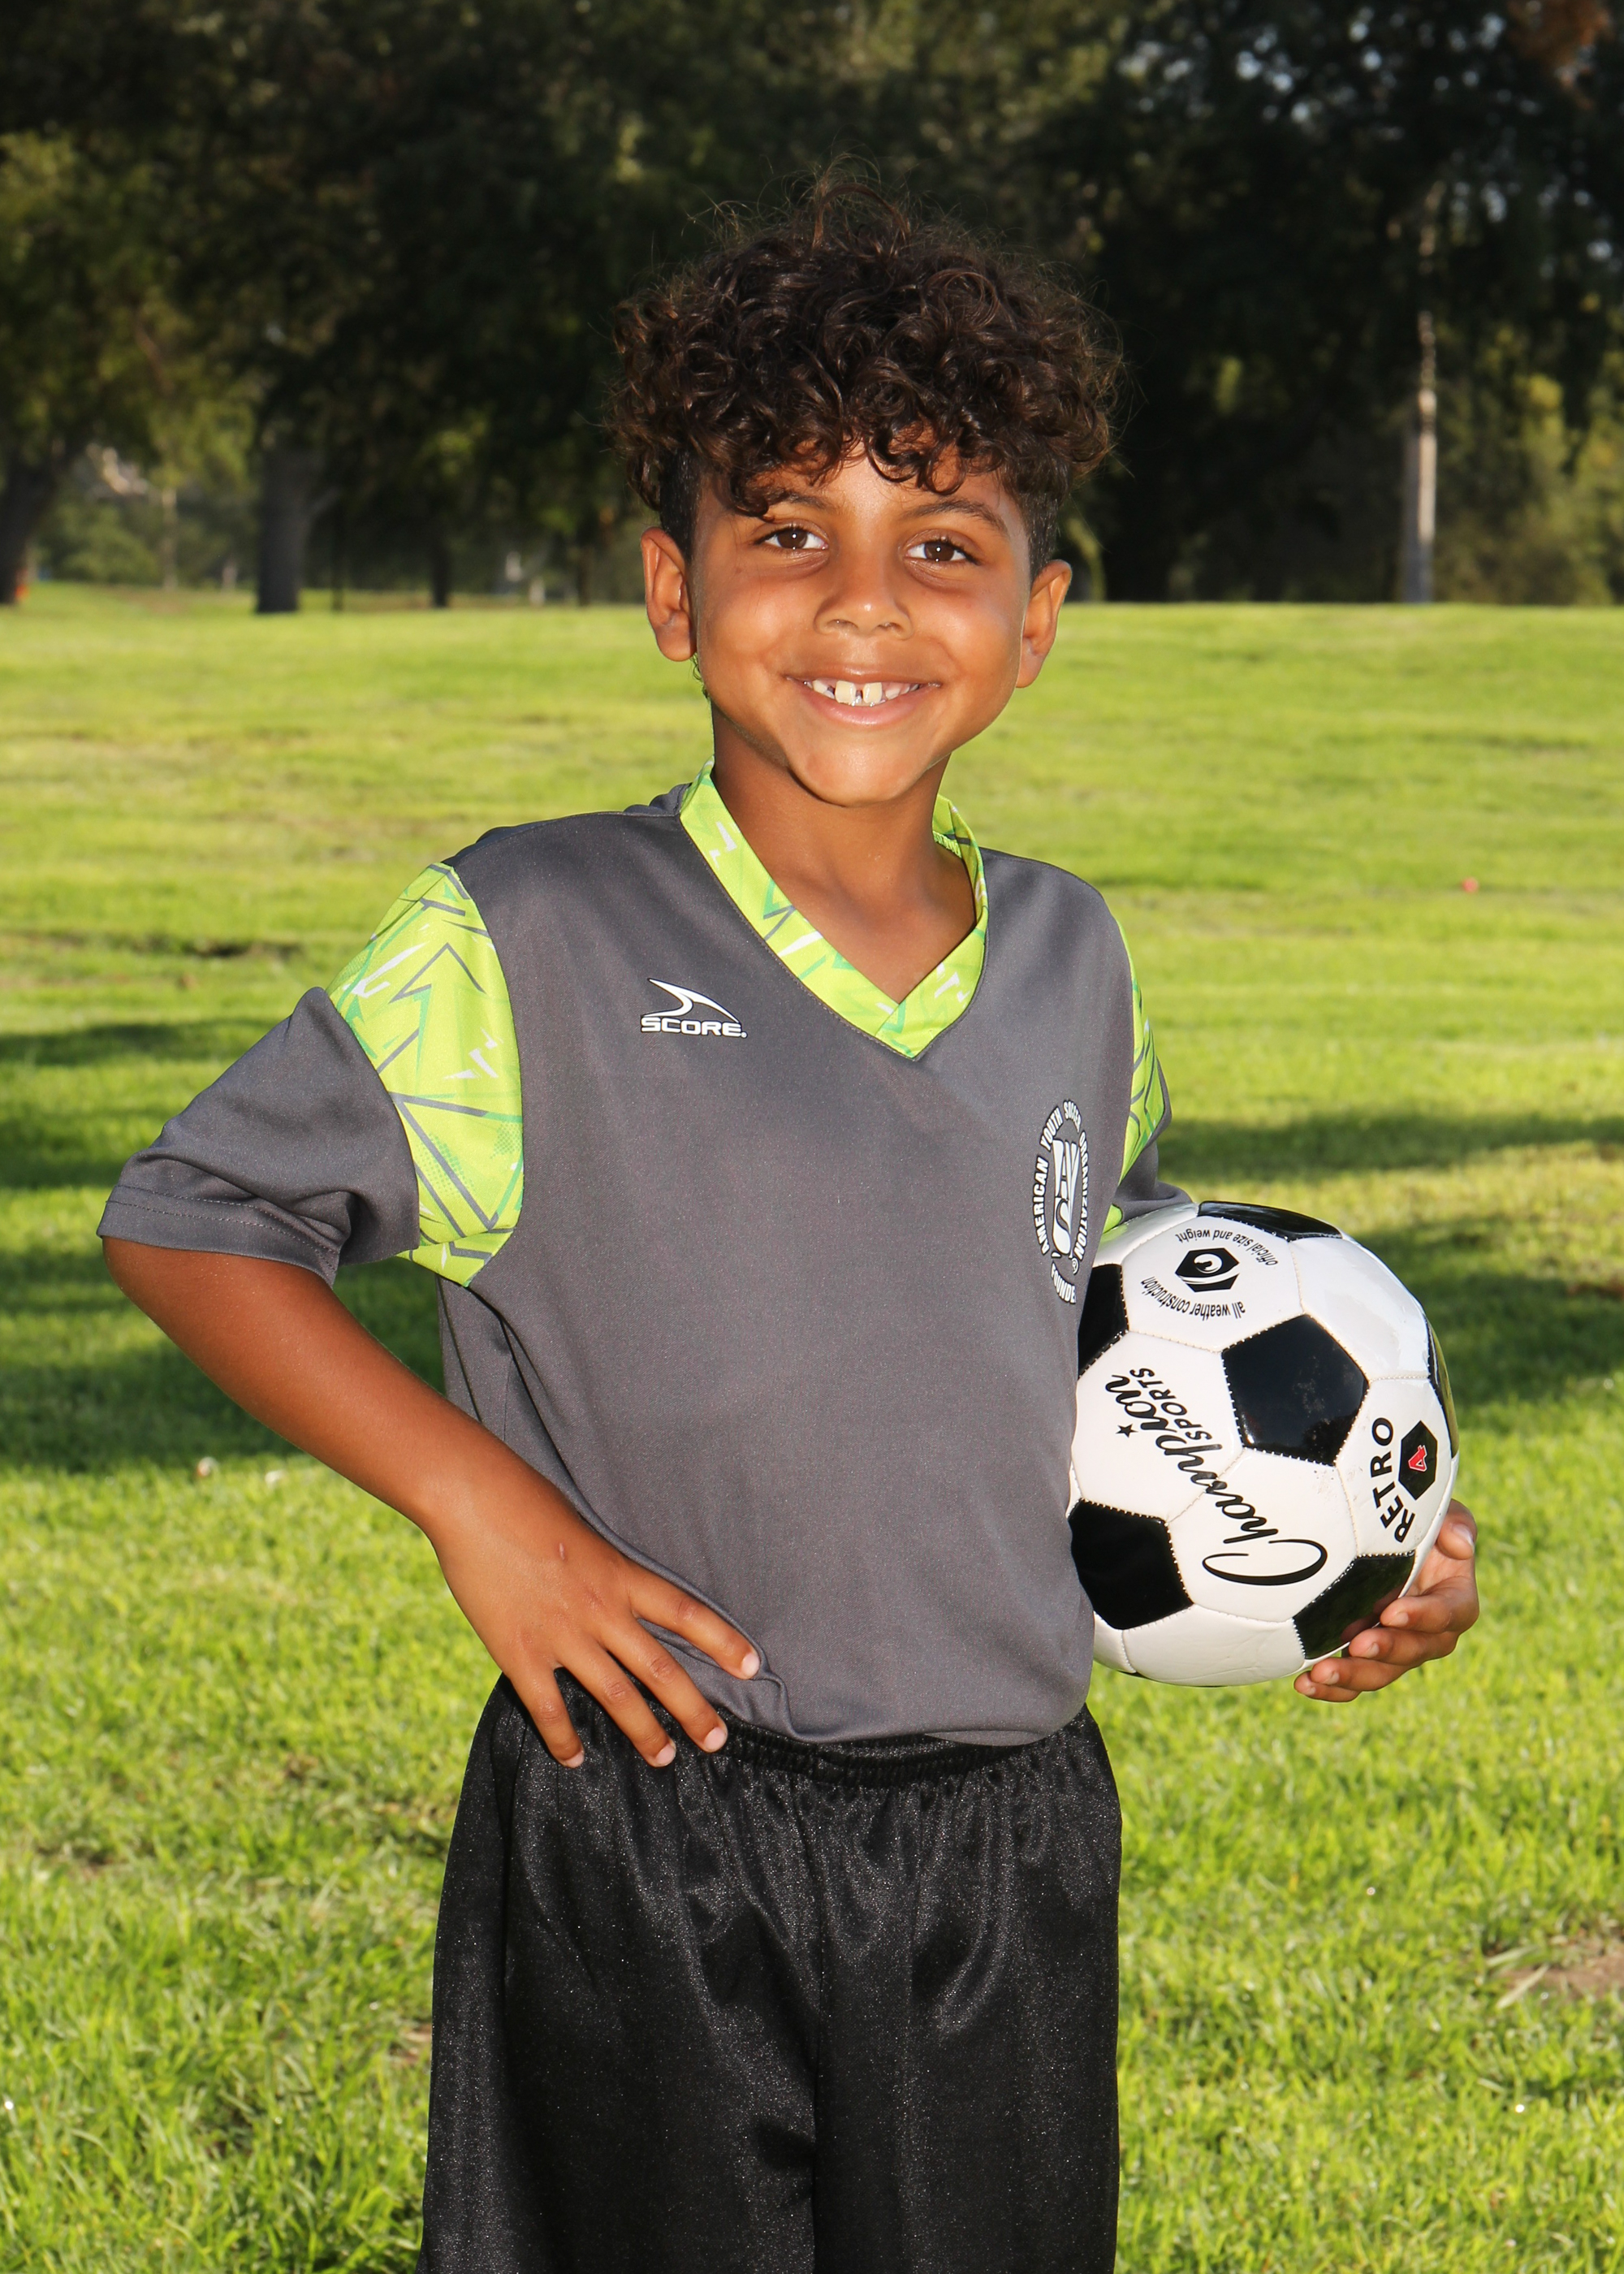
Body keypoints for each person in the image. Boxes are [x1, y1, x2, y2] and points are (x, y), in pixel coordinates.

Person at [100, 185, 1479, 2274]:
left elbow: (1113, 1324)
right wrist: (483, 1507)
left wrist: (1353, 1547)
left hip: (1004, 1843)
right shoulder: (529, 931)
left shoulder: (1074, 960)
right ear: (672, 589)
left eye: (941, 545)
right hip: (649, 1813)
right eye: (784, 529)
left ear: (1037, 615)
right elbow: (194, 1219)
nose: (861, 604)